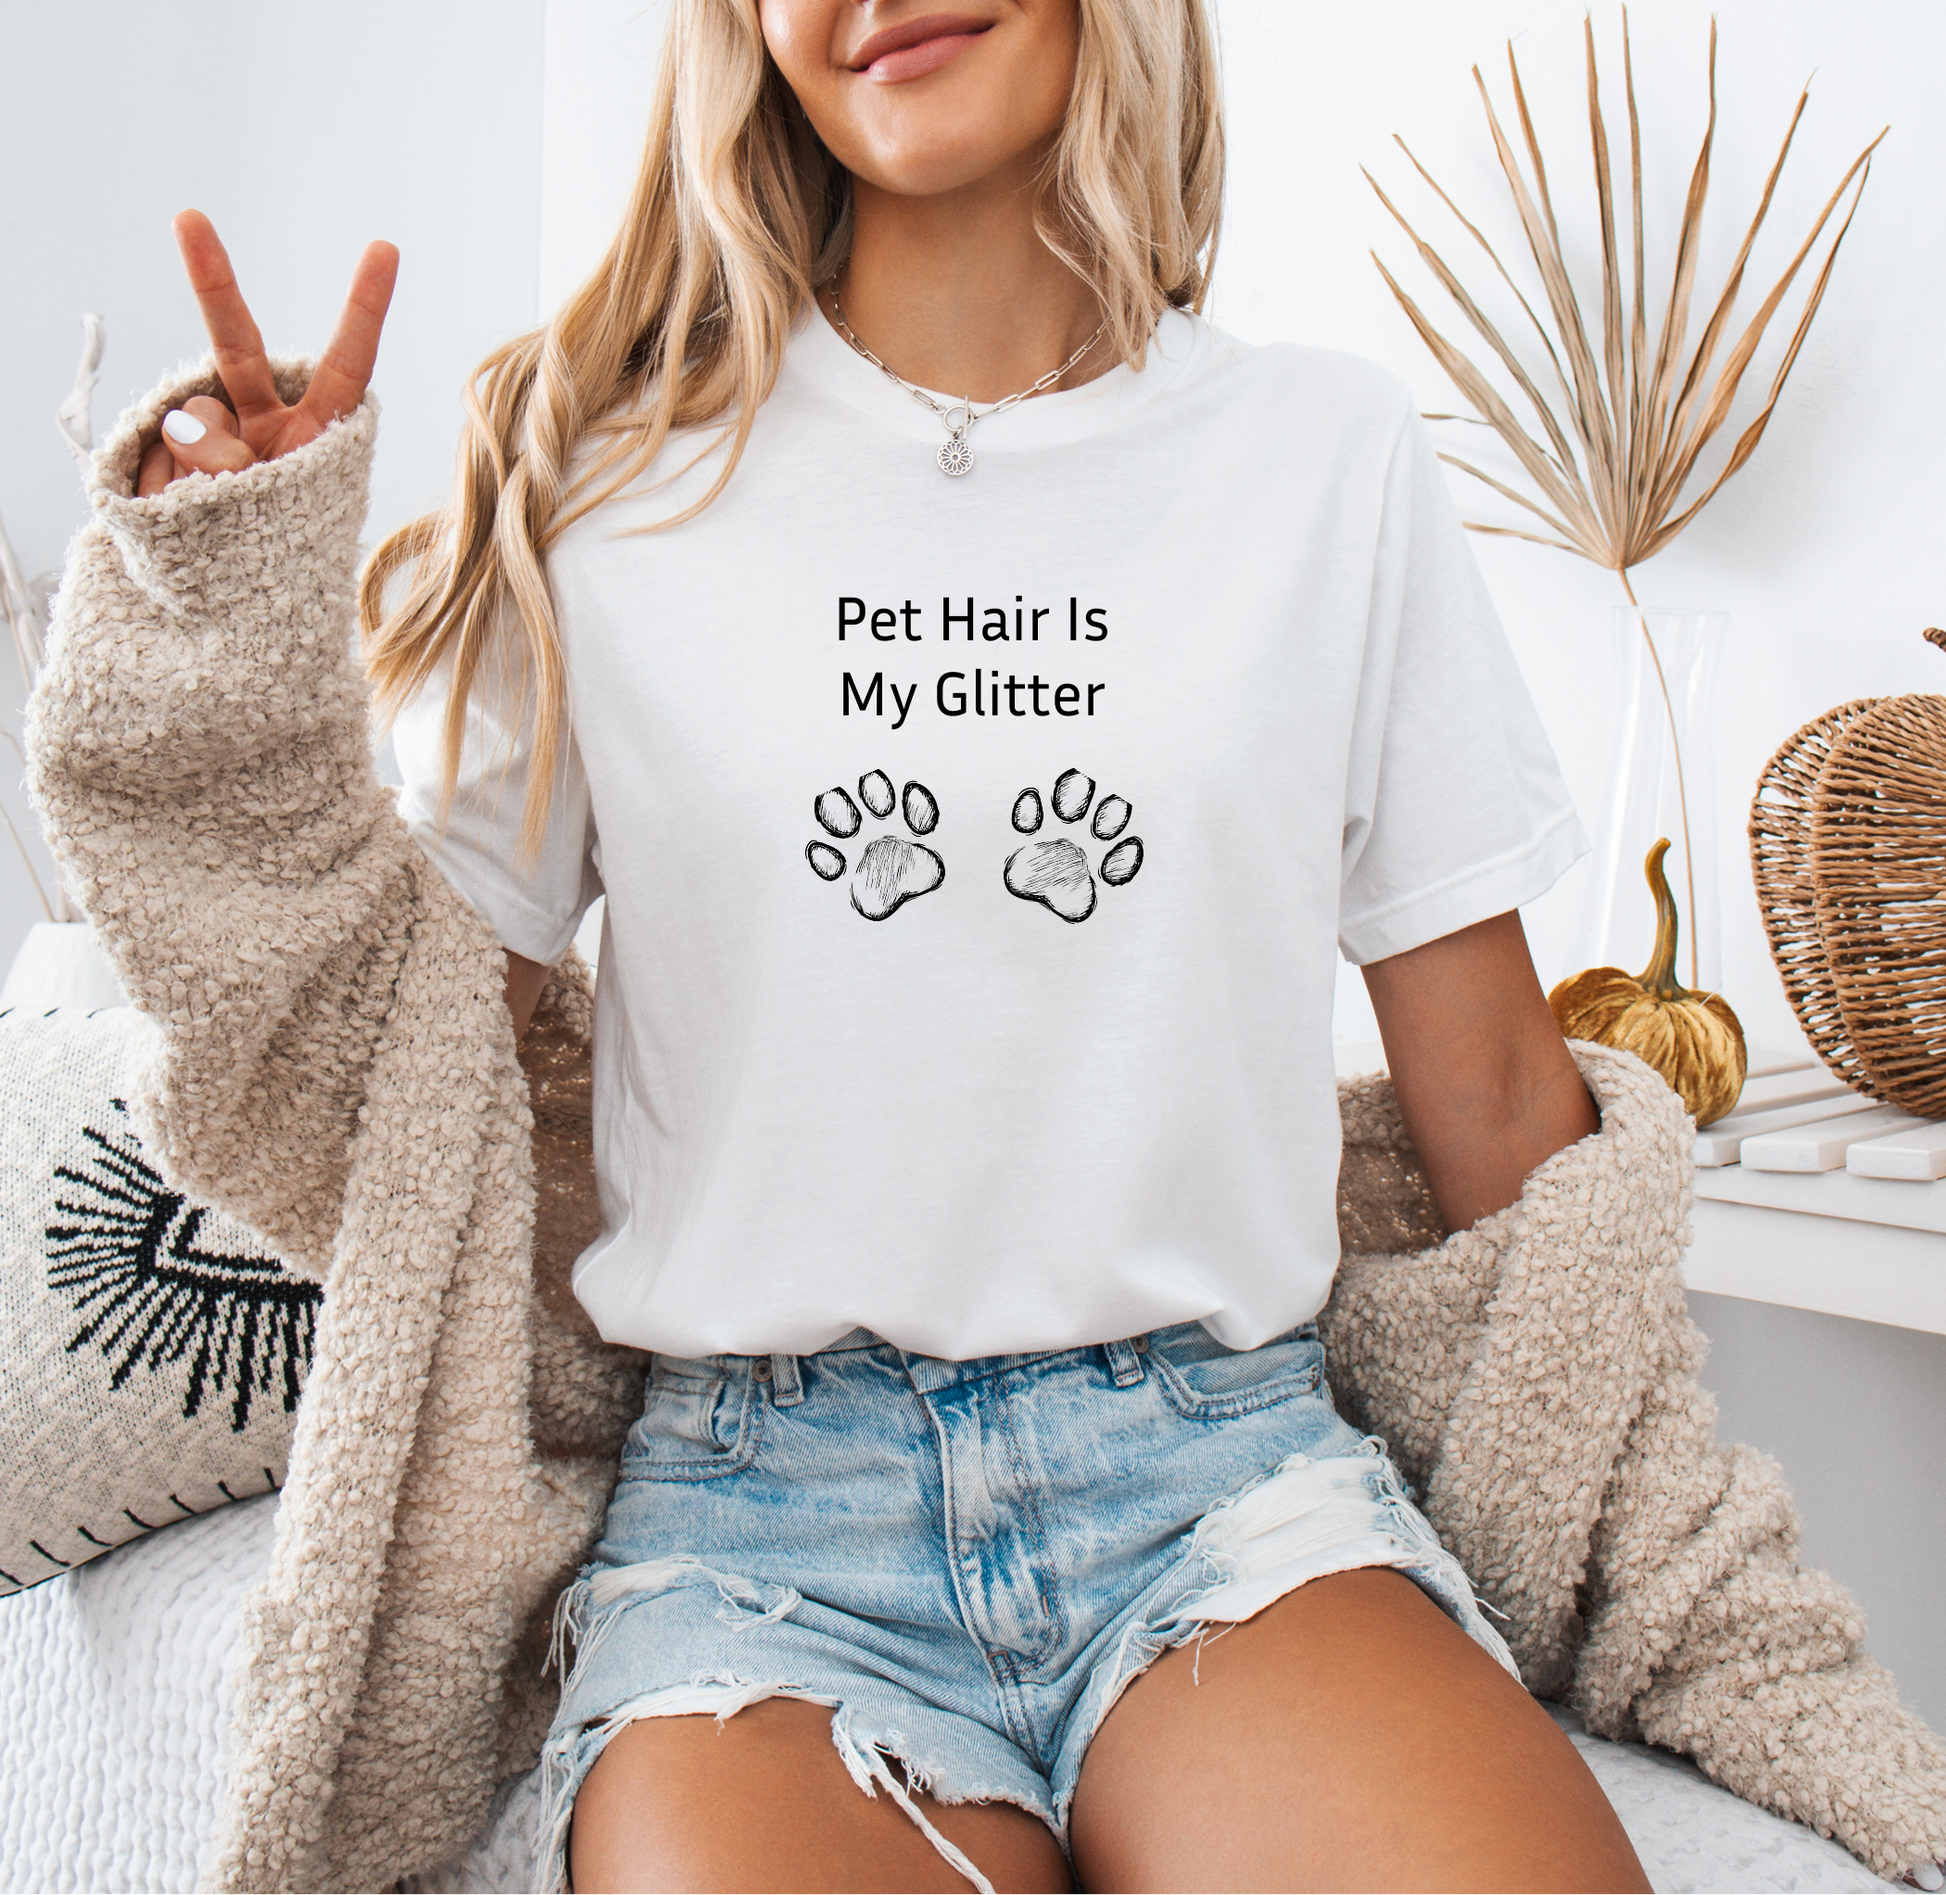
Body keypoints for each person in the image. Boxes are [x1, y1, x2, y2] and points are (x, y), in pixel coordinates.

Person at [134, 3, 1652, 1890]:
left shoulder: (1319, 455)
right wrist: (241, 646)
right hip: (760, 1532)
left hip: (1217, 1481)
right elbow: (406, 1081)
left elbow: (1499, 1086)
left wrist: (1650, 1543)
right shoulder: (598, 471)